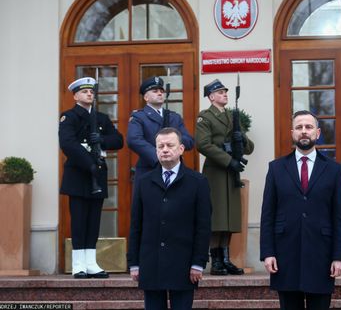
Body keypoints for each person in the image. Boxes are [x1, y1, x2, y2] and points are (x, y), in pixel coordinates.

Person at [260, 110, 341, 310]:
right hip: (285, 255)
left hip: (322, 255)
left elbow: (340, 216)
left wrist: (340, 256)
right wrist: (268, 252)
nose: (304, 131)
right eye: (299, 127)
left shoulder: (334, 170)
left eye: (308, 127)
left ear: (317, 133)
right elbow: (268, 214)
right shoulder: (276, 168)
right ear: (292, 133)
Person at [127, 127, 211, 310]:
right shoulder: (143, 182)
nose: (165, 149)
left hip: (183, 264)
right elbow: (136, 225)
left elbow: (203, 226)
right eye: (160, 146)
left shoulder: (198, 182)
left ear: (181, 149)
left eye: (170, 145)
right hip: (151, 263)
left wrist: (198, 262)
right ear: (156, 150)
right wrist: (133, 262)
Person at [59, 77, 123, 279]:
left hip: (98, 174)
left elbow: (119, 140)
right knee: (79, 220)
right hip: (79, 173)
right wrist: (90, 164)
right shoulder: (69, 117)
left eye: (91, 92)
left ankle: (91, 262)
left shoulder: (101, 118)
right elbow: (68, 144)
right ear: (75, 95)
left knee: (94, 220)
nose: (89, 94)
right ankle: (78, 264)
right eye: (84, 92)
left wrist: (102, 140)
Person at [195, 79, 254, 275]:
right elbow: (203, 145)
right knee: (217, 216)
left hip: (231, 172)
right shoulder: (205, 117)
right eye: (220, 92)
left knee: (230, 217)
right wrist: (229, 161)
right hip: (216, 171)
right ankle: (216, 261)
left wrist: (241, 138)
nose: (225, 94)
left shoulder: (232, 116)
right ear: (211, 97)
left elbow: (249, 147)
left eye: (225, 92)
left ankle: (226, 259)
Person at [127, 76, 194, 185]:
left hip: (174, 169)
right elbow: (133, 140)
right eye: (155, 91)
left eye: (161, 91)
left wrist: (174, 144)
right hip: (149, 168)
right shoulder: (139, 117)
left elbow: (189, 141)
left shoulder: (174, 117)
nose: (160, 93)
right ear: (146, 97)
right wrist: (159, 155)